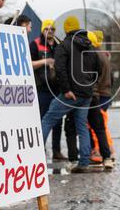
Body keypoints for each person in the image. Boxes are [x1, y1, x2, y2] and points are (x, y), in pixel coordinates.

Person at [40, 18, 98, 173]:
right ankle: (84, 162)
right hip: (86, 94)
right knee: (82, 127)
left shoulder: (64, 46)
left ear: (66, 30)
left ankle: (35, 155)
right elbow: (96, 70)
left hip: (70, 94)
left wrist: (66, 89)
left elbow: (60, 69)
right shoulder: (89, 46)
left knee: (47, 119)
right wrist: (89, 87)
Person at [31, 19, 65, 160]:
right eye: (47, 29)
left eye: (52, 29)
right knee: (41, 120)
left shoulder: (59, 44)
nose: (50, 31)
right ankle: (40, 150)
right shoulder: (35, 44)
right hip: (42, 88)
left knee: (58, 122)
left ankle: (56, 151)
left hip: (57, 89)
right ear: (42, 30)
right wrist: (46, 62)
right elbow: (29, 64)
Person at [86, 31, 114, 170]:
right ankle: (107, 150)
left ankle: (100, 151)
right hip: (105, 92)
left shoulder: (95, 55)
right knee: (101, 124)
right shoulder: (103, 54)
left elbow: (95, 78)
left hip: (100, 93)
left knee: (96, 126)